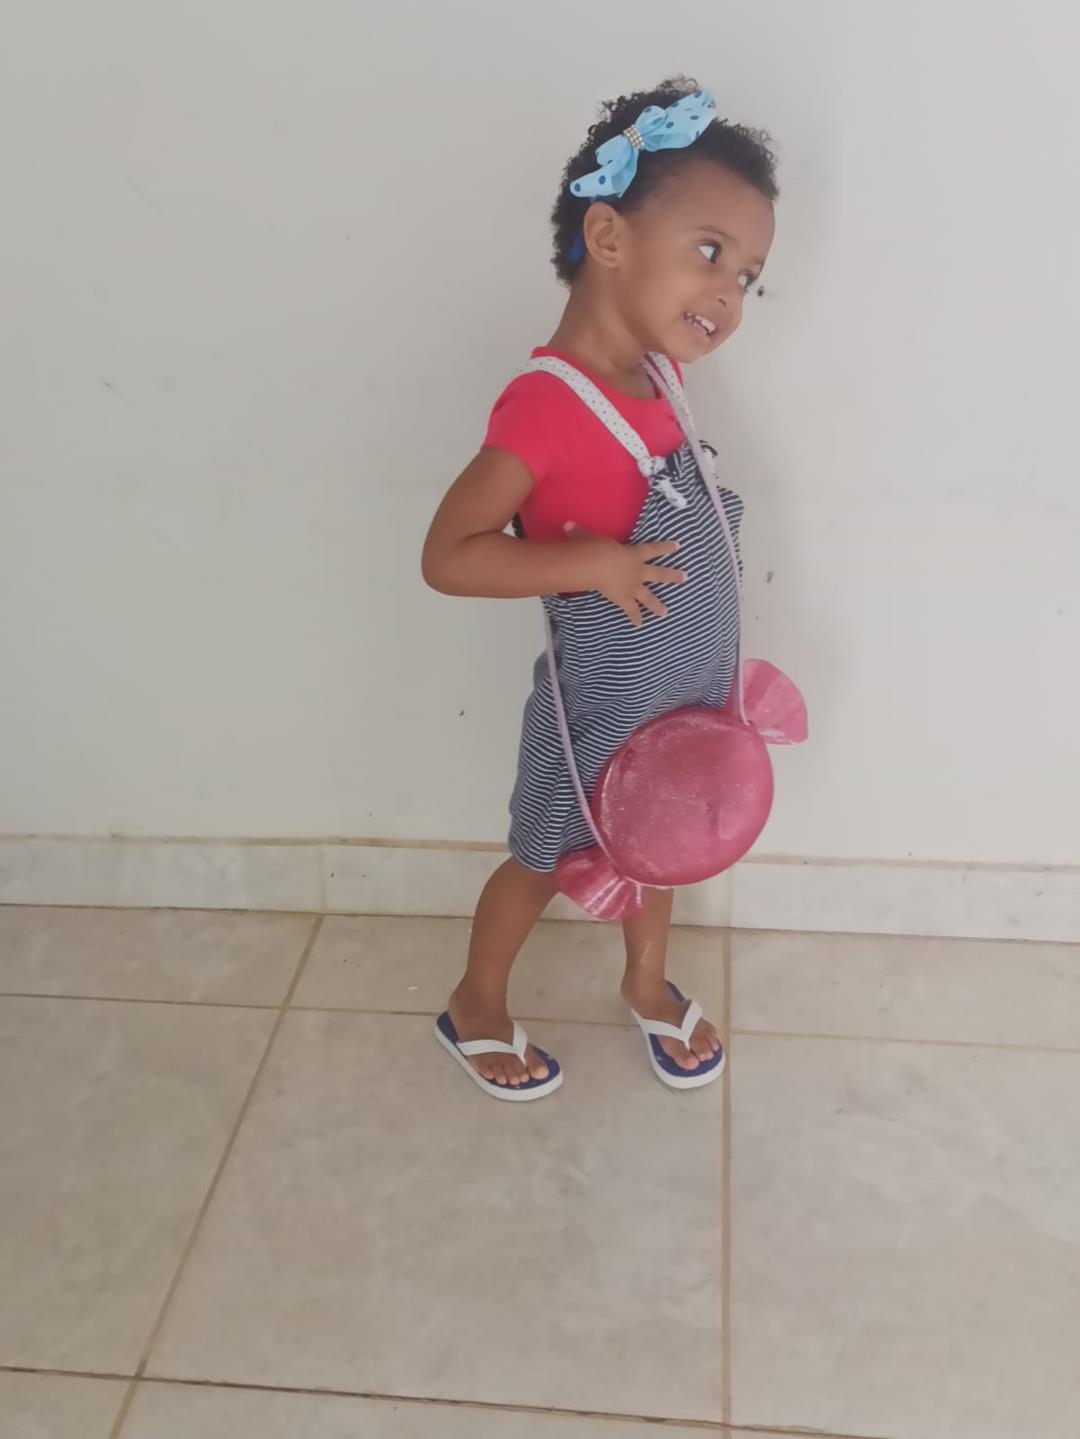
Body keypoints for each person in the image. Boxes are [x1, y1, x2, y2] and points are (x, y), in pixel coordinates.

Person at [422, 78, 778, 1100]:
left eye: (749, 277)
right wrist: (594, 564)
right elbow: (450, 554)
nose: (727, 294)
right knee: (541, 854)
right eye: (709, 251)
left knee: (661, 839)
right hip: (598, 709)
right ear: (609, 236)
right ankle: (475, 1000)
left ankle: (647, 979)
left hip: (682, 689)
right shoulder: (546, 407)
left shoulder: (660, 377)